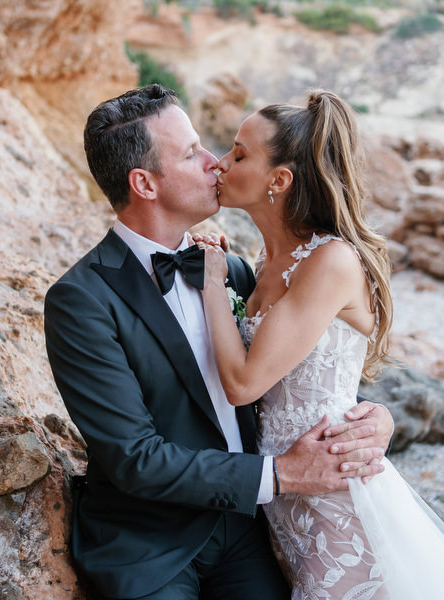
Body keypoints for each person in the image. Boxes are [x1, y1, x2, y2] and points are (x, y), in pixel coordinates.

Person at [44, 85, 393, 600]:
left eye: (218, 149)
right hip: (151, 543)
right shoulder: (82, 300)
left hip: (252, 529)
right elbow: (134, 459)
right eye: (192, 153)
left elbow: (296, 374)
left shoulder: (234, 271)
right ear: (144, 183)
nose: (215, 163)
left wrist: (373, 419)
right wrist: (280, 475)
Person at [198, 89, 444, 599]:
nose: (220, 163)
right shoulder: (265, 263)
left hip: (337, 501)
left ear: (279, 180)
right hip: (285, 499)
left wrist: (212, 285)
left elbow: (243, 383)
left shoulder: (329, 261)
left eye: (239, 155)